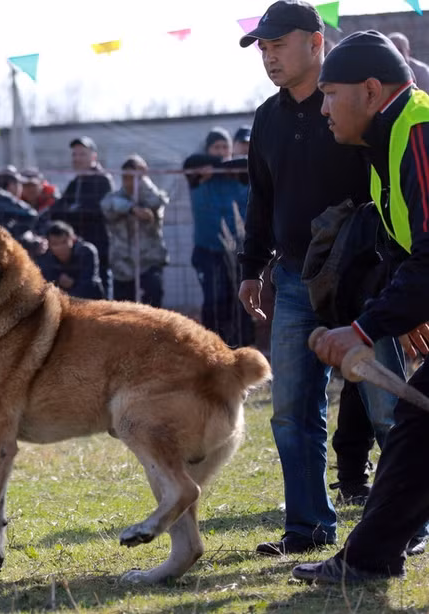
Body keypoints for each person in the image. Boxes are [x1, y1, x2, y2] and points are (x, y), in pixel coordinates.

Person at [237, 0, 404, 556]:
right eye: (262, 48)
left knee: (388, 408)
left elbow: (393, 200)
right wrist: (251, 267)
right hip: (292, 279)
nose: (268, 57)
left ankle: (408, 528)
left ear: (316, 42)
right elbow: (261, 198)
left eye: (278, 45)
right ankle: (307, 528)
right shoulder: (266, 117)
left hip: (363, 280)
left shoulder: (362, 110)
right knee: (291, 413)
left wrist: (403, 289)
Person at [294, 30, 429, 583]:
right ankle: (368, 559)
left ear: (371, 91)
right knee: (419, 423)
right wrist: (404, 310)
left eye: (330, 93)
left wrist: (365, 328)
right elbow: (408, 248)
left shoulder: (416, 131)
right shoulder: (385, 142)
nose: (321, 107)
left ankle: (367, 558)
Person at [184, 128, 253, 346]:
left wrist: (221, 166)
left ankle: (240, 348)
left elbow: (248, 161)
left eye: (225, 148)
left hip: (236, 252)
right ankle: (211, 346)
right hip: (208, 250)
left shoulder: (240, 172)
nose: (221, 152)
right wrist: (213, 167)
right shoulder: (198, 175)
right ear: (208, 149)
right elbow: (190, 161)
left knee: (239, 301)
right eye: (216, 147)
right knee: (215, 300)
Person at [45, 137, 115, 296]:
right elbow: (58, 208)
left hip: (98, 245)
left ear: (93, 157)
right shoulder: (76, 182)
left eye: (82, 154)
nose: (77, 159)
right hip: (77, 250)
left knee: (100, 290)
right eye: (74, 155)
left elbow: (96, 211)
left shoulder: (102, 180)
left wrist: (72, 211)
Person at [101, 155, 169, 307]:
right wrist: (132, 209)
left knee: (153, 305)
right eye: (127, 177)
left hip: (149, 261)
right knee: (124, 310)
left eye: (136, 177)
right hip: (123, 264)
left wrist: (143, 181)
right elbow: (108, 205)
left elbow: (158, 201)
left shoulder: (152, 197)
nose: (130, 181)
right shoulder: (115, 198)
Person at [35, 221, 103, 299]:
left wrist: (73, 284)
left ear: (72, 239)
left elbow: (88, 284)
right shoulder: (45, 257)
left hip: (90, 302)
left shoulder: (86, 251)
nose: (61, 248)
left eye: (64, 242)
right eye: (55, 244)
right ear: (49, 245)